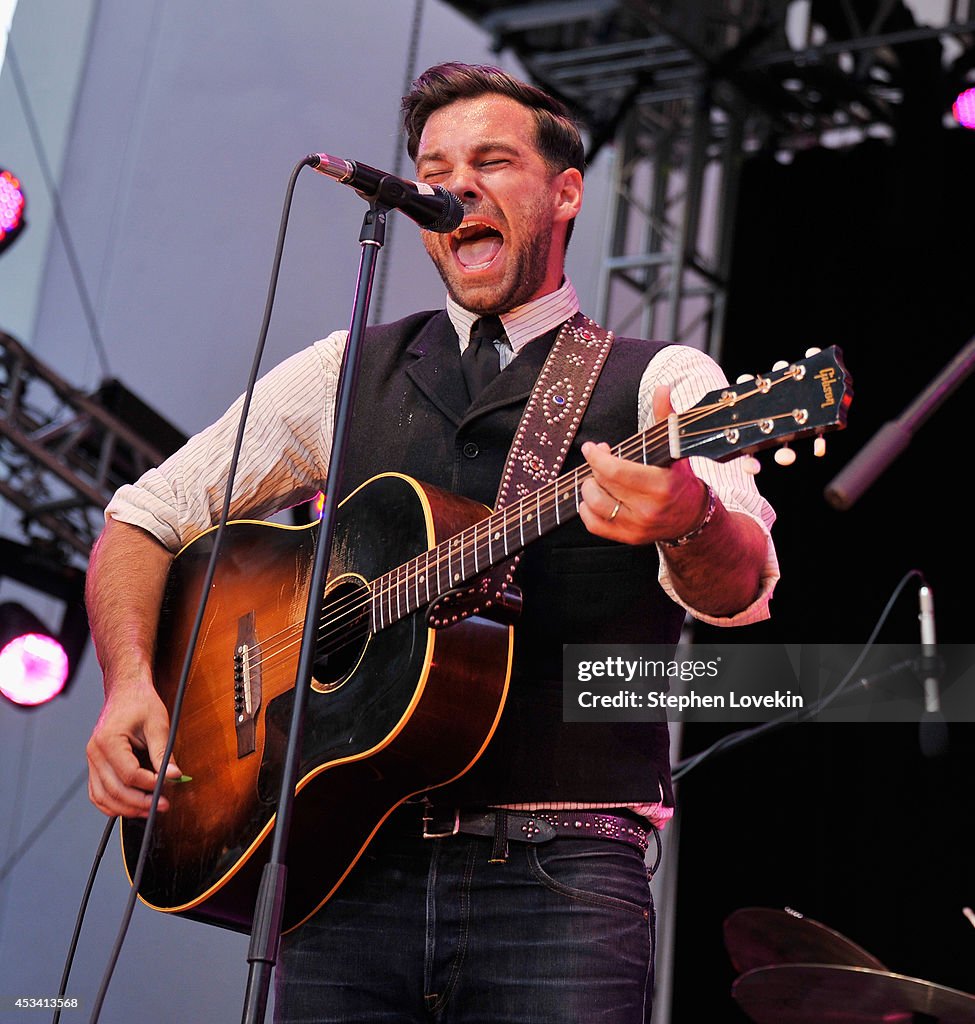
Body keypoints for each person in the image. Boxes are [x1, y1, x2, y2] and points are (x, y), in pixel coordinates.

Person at [85, 62, 778, 1023]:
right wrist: (129, 684)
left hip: (558, 880)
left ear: (564, 191)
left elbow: (740, 590)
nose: (457, 186)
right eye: (435, 166)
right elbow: (143, 518)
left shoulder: (661, 378)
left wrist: (688, 520)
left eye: (492, 161)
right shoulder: (343, 369)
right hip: (342, 864)